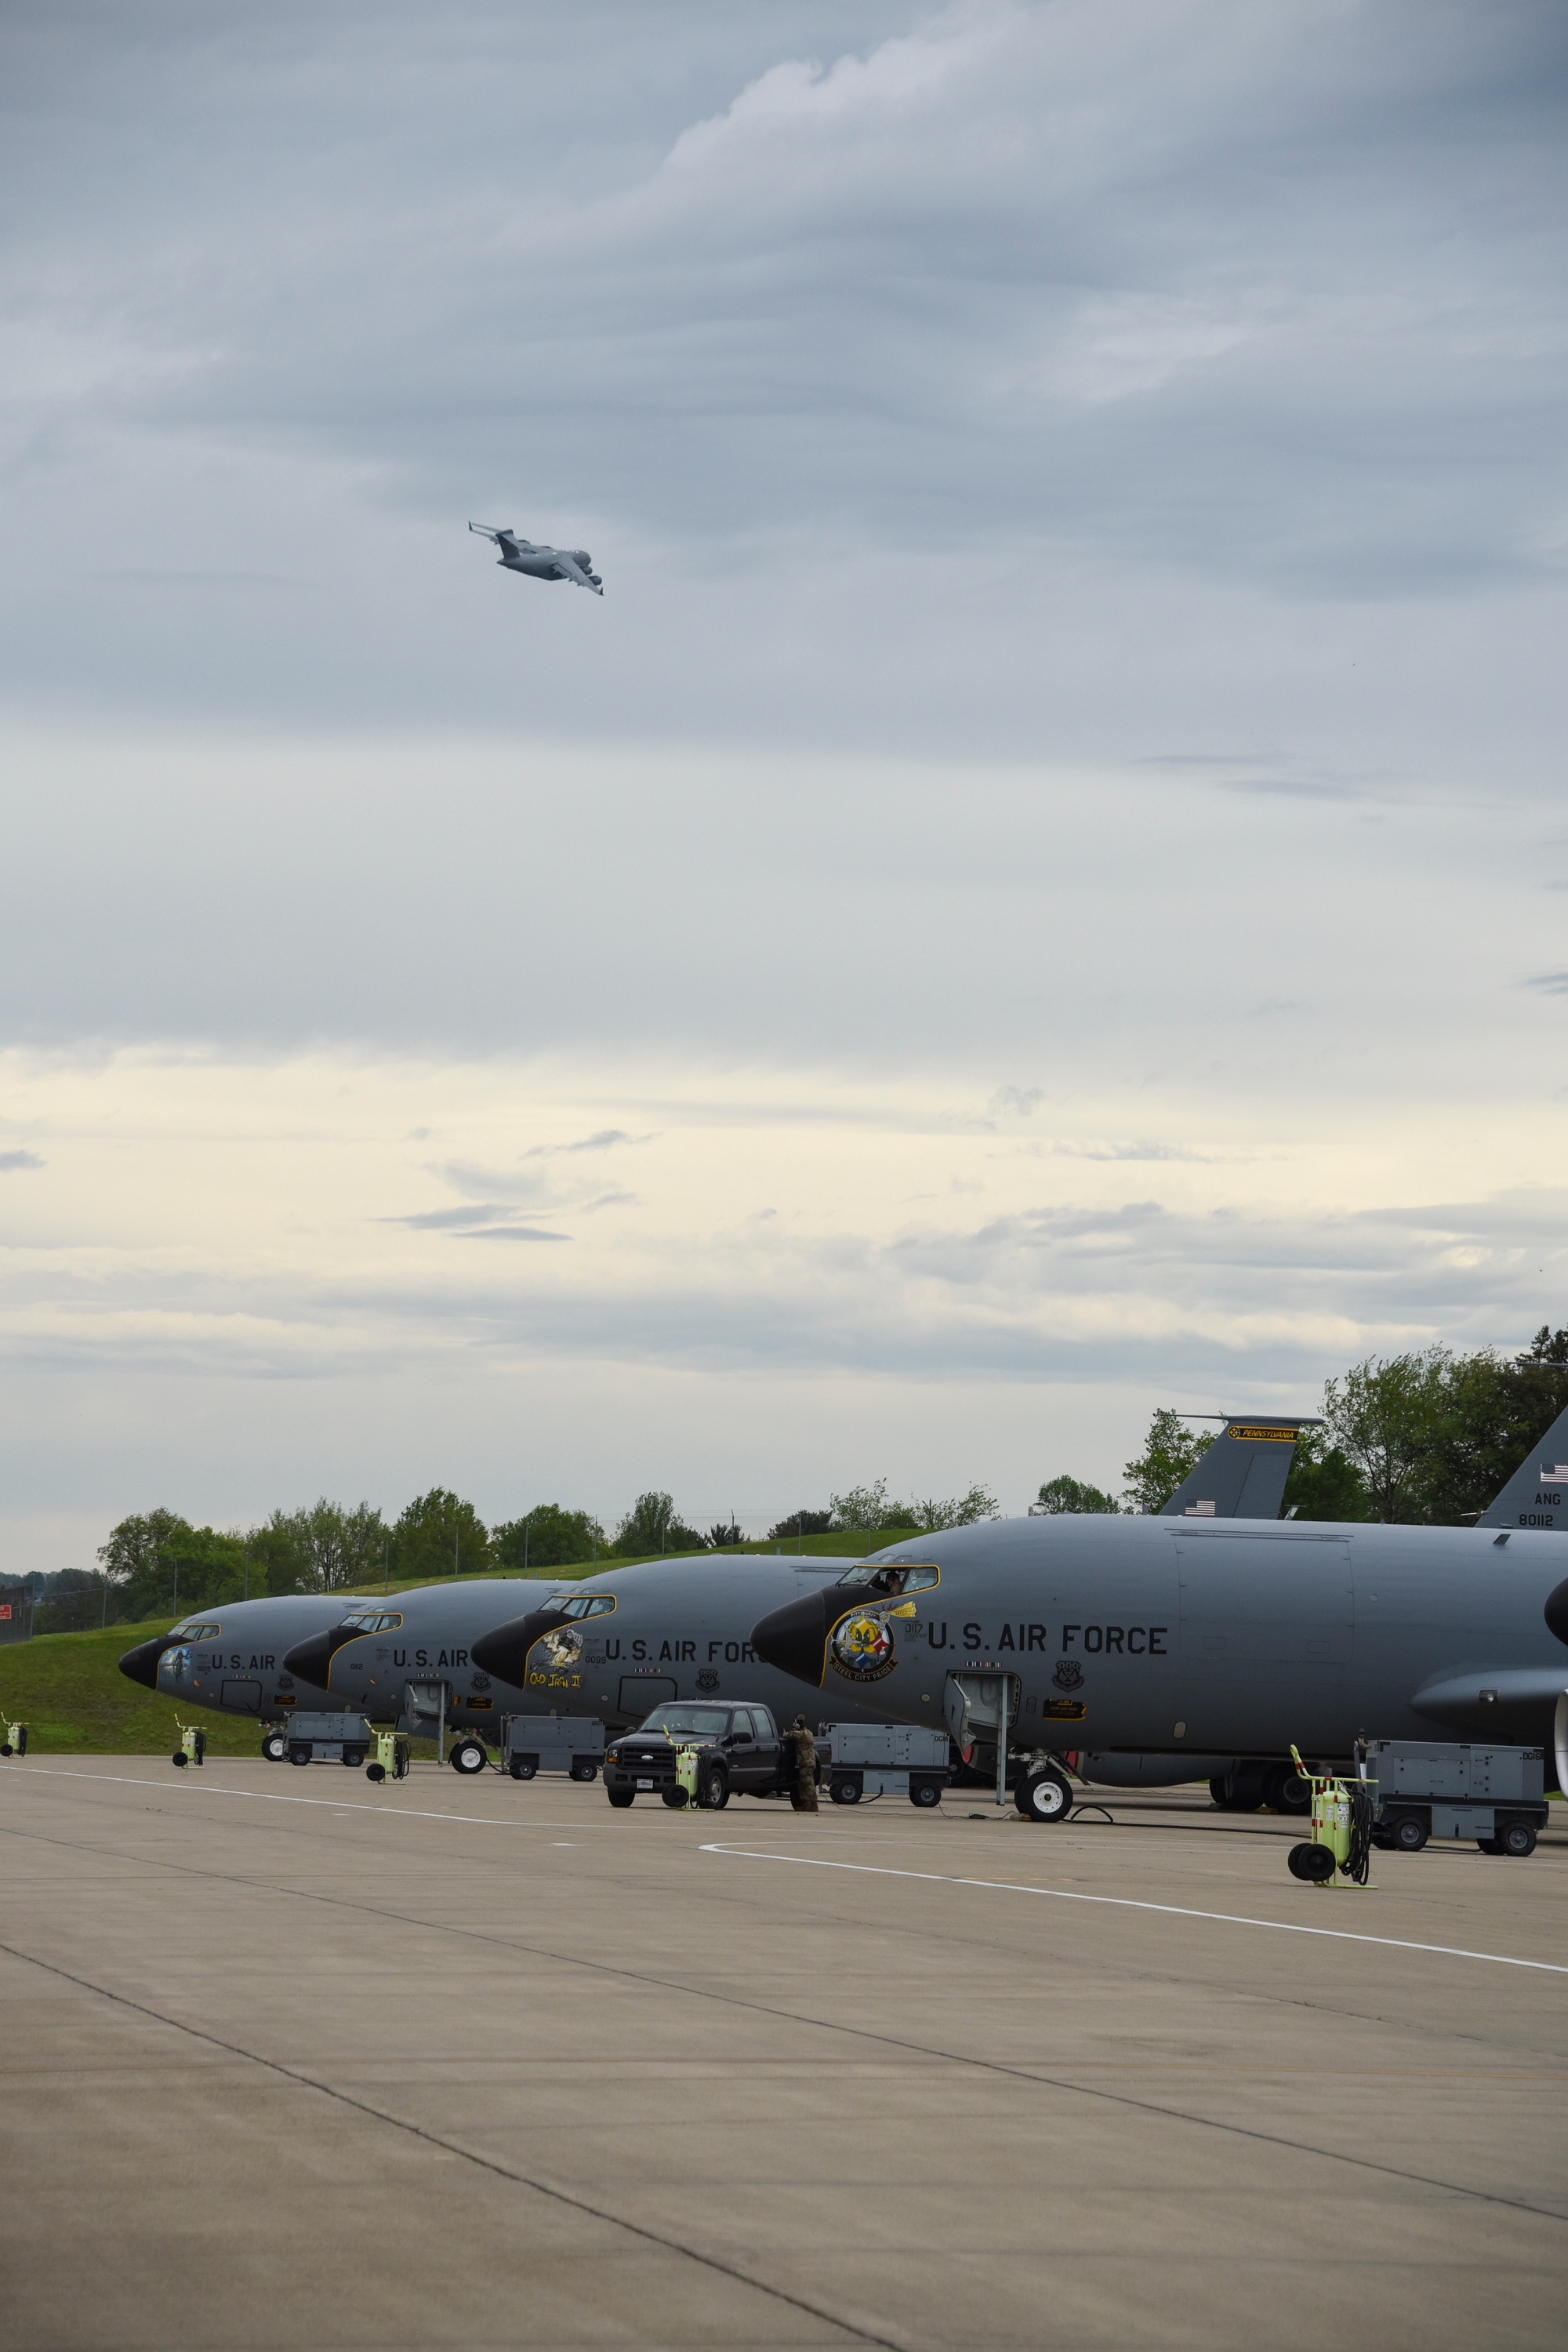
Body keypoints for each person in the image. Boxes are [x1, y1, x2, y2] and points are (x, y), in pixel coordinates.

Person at [784, 1715, 818, 1812]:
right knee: (802, 1784)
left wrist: (791, 1730)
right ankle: (806, 1804)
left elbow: (788, 1735)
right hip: (806, 1762)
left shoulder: (801, 1734)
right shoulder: (809, 1733)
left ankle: (814, 1804)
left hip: (806, 1762)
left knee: (808, 1783)